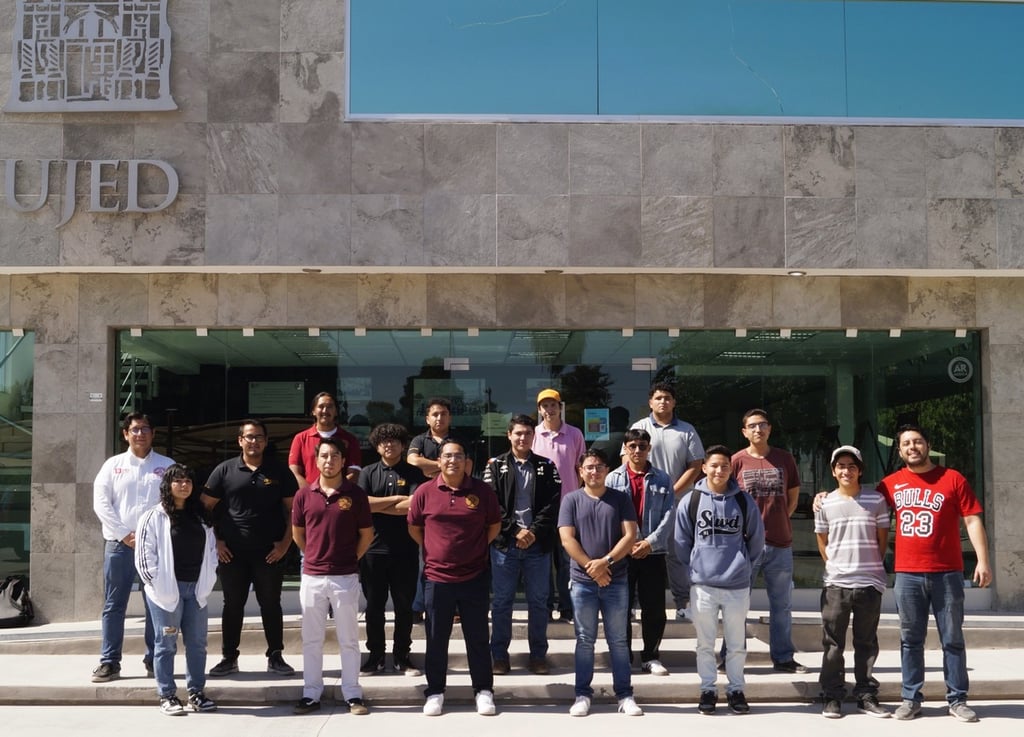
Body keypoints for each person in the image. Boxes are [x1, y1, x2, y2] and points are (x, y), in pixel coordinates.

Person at [878, 424, 992, 723]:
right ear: (900, 451)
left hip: (947, 573)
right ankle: (910, 698)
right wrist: (823, 497)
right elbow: (862, 507)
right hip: (907, 575)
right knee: (910, 640)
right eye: (905, 444)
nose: (912, 447)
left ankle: (957, 699)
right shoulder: (890, 483)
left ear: (928, 445)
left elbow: (972, 520)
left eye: (917, 442)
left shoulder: (952, 479)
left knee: (952, 638)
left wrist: (982, 560)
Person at [407, 439, 501, 717]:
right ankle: (435, 691)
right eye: (447, 456)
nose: (452, 461)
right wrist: (435, 550)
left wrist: (474, 549)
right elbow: (415, 528)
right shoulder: (425, 491)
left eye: (458, 456)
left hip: (475, 575)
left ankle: (483, 691)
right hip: (437, 578)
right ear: (438, 461)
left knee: (478, 638)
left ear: (466, 461)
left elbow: (493, 526)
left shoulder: (482, 491)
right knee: (436, 639)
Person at [201, 419, 299, 677]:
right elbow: (204, 508)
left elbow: (294, 511)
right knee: (232, 604)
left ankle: (276, 655)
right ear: (240, 441)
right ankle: (229, 657)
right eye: (249, 437)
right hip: (232, 552)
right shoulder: (224, 470)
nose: (254, 441)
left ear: (266, 441)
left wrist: (286, 543)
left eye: (259, 437)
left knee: (270, 604)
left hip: (270, 552)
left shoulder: (279, 472)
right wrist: (217, 542)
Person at [675, 445, 765, 716]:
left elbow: (756, 540)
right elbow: (681, 543)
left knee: (737, 643)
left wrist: (742, 565)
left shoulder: (743, 501)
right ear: (704, 468)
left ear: (730, 469)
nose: (719, 470)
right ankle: (708, 690)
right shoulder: (691, 501)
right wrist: (697, 566)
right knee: (705, 643)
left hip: (736, 584)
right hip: (703, 584)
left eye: (724, 466)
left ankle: (736, 690)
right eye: (713, 465)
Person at [291, 437, 374, 716]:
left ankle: (352, 694)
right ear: (316, 461)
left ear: (342, 460)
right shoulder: (304, 495)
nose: (329, 460)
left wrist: (349, 559)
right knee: (311, 638)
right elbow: (298, 535)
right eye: (324, 456)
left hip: (345, 576)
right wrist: (315, 556)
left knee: (348, 638)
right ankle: (311, 693)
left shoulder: (356, 494)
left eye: (335, 455)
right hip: (312, 576)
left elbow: (366, 535)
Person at [557, 448, 642, 717]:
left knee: (618, 641)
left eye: (599, 466)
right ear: (580, 472)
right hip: (583, 582)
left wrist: (605, 562)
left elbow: (630, 536)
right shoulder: (570, 500)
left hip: (615, 580)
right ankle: (582, 694)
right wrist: (592, 568)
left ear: (607, 470)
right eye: (589, 467)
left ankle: (625, 695)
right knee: (585, 639)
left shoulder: (620, 499)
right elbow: (567, 539)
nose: (594, 471)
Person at [91, 412, 171, 682]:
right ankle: (109, 662)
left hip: (155, 547)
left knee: (155, 604)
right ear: (125, 434)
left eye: (145, 429)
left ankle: (154, 660)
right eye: (135, 429)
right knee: (114, 604)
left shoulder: (166, 465)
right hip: (119, 545)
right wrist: (125, 534)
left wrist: (151, 534)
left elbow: (174, 503)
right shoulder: (112, 466)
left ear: (153, 433)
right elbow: (101, 504)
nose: (140, 434)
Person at [134, 463, 218, 716]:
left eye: (188, 481)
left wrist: (209, 579)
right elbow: (144, 557)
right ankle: (167, 695)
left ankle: (196, 693)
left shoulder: (201, 517)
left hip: (196, 592)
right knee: (166, 644)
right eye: (178, 480)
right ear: (167, 486)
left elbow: (212, 553)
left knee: (197, 644)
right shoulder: (153, 516)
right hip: (166, 593)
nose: (183, 485)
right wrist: (159, 585)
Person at [814, 446, 890, 719]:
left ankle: (866, 694)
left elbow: (882, 541)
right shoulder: (824, 504)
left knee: (866, 642)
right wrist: (836, 565)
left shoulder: (876, 500)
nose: (847, 471)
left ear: (860, 470)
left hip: (869, 582)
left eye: (852, 465)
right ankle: (832, 695)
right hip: (836, 584)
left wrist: (870, 567)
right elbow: (822, 542)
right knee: (833, 643)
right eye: (841, 466)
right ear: (834, 471)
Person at [483, 414, 562, 676]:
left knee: (539, 603)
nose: (522, 438)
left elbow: (553, 504)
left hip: (537, 547)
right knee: (502, 603)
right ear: (509, 435)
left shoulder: (547, 466)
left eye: (527, 433)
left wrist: (533, 532)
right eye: (517, 433)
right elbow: (491, 504)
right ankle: (499, 656)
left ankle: (538, 656)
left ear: (533, 436)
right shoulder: (495, 465)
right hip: (505, 545)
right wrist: (515, 530)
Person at [730, 408, 805, 673]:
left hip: (780, 543)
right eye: (752, 426)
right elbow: (728, 500)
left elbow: (793, 496)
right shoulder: (736, 461)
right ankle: (731, 656)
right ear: (744, 432)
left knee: (781, 605)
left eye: (762, 425)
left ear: (769, 429)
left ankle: (783, 657)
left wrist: (781, 518)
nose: (757, 430)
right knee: (737, 604)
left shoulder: (785, 459)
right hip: (745, 545)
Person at [628, 382, 704, 620]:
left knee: (677, 553)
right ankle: (632, 604)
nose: (663, 402)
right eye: (658, 398)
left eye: (668, 398)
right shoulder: (639, 427)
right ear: (650, 402)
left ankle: (682, 603)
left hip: (678, 502)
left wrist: (671, 491)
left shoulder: (687, 430)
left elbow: (696, 465)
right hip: (642, 503)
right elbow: (627, 462)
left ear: (674, 402)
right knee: (638, 552)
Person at [356, 423, 425, 676]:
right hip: (373, 550)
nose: (389, 445)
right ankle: (375, 656)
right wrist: (395, 500)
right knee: (374, 606)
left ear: (403, 445)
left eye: (394, 441)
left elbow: (413, 505)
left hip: (405, 550)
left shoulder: (414, 472)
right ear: (376, 446)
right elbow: (363, 505)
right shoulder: (367, 472)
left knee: (404, 606)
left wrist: (381, 505)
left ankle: (402, 656)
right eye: (384, 441)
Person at [606, 428, 674, 676]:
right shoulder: (612, 478)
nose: (637, 451)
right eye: (632, 446)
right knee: (620, 608)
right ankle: (622, 655)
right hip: (622, 553)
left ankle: (651, 656)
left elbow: (669, 515)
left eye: (642, 446)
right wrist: (627, 544)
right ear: (625, 448)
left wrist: (649, 543)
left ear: (649, 448)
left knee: (654, 607)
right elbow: (607, 516)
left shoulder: (663, 479)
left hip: (652, 553)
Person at [533, 388, 586, 624]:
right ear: (539, 409)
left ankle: (567, 609)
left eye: (553, 405)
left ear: (559, 407)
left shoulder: (574, 434)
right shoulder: (532, 435)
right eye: (544, 405)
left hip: (569, 508)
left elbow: (581, 470)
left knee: (567, 561)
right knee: (543, 561)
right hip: (541, 509)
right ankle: (545, 608)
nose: (549, 409)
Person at [288, 391, 363, 486]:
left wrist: (332, 492)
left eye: (330, 406)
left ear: (336, 411)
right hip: (310, 497)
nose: (325, 410)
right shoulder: (300, 438)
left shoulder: (350, 439)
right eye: (321, 406)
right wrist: (311, 493)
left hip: (340, 497)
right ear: (313, 411)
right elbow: (294, 473)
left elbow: (354, 473)